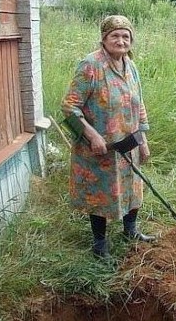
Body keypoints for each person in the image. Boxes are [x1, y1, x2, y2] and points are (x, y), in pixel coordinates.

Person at [62, 15, 155, 258]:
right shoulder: (90, 65)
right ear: (104, 38)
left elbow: (139, 105)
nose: (121, 41)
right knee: (100, 193)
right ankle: (100, 243)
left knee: (132, 187)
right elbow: (69, 106)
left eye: (126, 36)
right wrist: (92, 135)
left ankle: (130, 230)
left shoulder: (130, 66)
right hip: (100, 147)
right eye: (115, 35)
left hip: (129, 144)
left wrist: (143, 142)